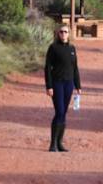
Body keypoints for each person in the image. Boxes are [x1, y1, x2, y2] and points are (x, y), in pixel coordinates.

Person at [44, 24, 81, 152]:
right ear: (58, 34)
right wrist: (49, 86)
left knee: (64, 113)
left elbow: (75, 68)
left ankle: (59, 143)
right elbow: (47, 68)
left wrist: (78, 86)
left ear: (69, 33)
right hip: (57, 83)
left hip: (69, 84)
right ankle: (52, 144)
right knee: (59, 112)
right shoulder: (53, 48)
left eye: (66, 32)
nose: (63, 34)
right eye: (61, 32)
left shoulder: (72, 48)